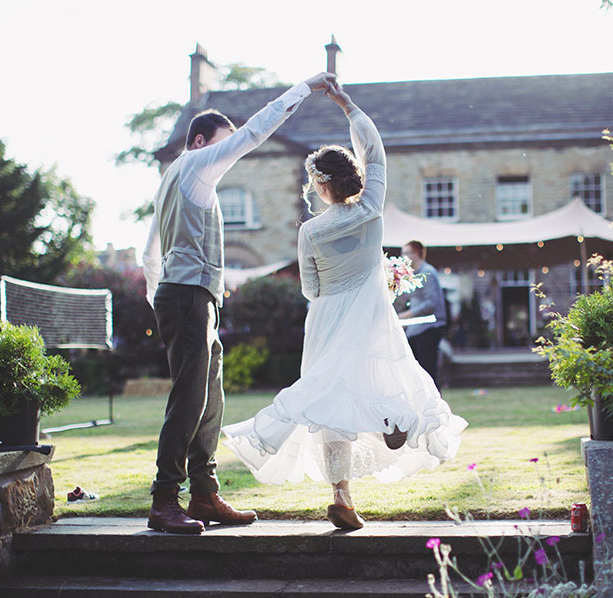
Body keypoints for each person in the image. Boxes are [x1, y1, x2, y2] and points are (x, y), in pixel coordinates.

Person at [222, 82, 467, 530]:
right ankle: (393, 424)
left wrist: (344, 283)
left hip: (328, 318)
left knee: (330, 400)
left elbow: (311, 290)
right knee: (387, 377)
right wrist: (348, 106)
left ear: (320, 184)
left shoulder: (310, 232)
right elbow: (376, 155)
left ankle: (342, 495)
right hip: (370, 315)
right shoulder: (372, 209)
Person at [142, 71, 337, 535]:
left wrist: (160, 299)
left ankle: (204, 495)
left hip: (185, 296)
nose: (227, 156)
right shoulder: (195, 164)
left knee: (209, 397)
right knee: (189, 400)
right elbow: (253, 133)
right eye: (220, 145)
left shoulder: (171, 181)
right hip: (189, 296)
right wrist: (305, 88)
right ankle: (163, 499)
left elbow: (148, 254)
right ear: (201, 140)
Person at [396, 241, 447, 386]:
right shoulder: (413, 275)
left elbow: (431, 303)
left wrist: (406, 316)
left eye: (406, 253)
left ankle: (434, 405)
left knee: (427, 371)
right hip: (417, 329)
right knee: (415, 372)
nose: (403, 257)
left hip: (428, 328)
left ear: (416, 254)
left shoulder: (427, 273)